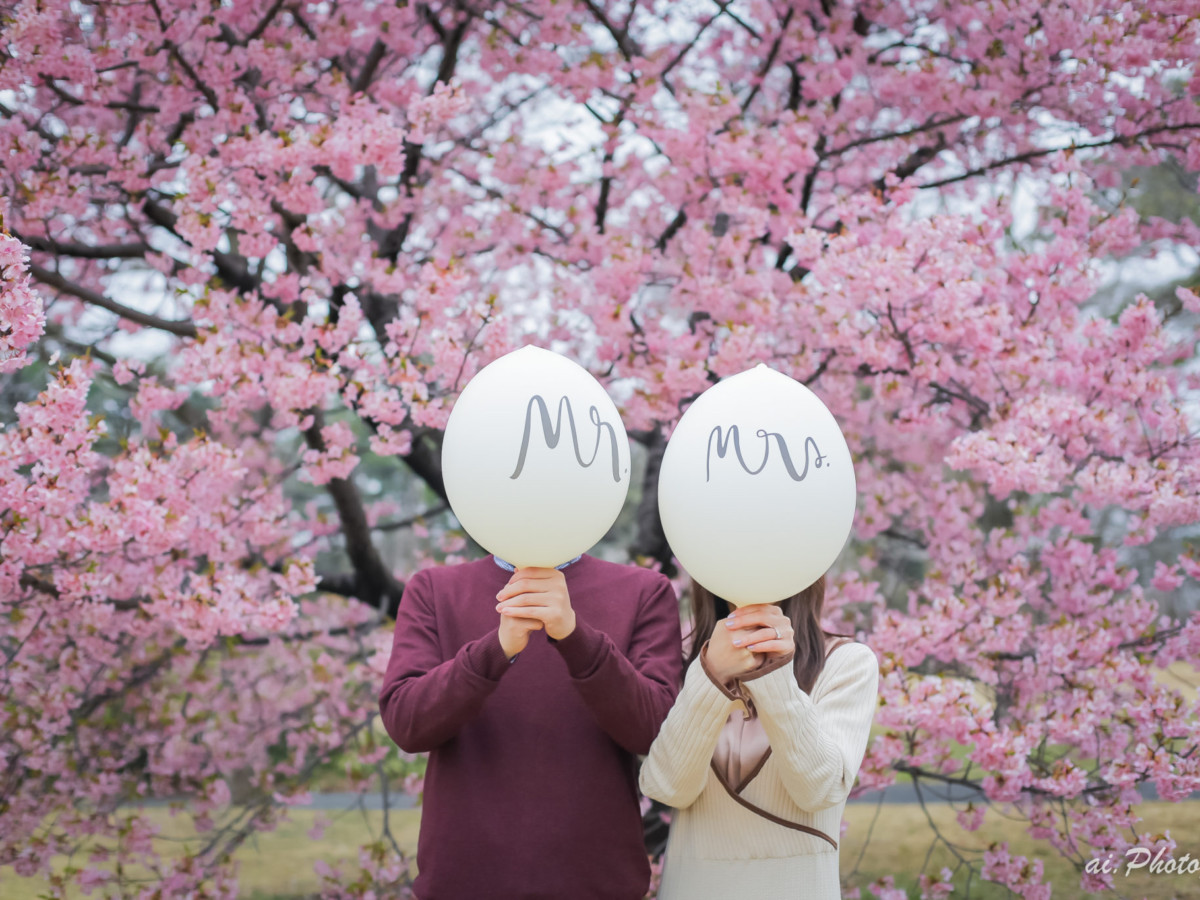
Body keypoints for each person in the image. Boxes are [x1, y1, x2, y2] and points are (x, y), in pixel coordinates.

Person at [378, 552, 682, 900]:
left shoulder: (644, 590)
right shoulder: (434, 589)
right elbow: (407, 724)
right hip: (463, 882)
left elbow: (654, 732)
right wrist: (495, 648)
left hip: (598, 883)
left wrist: (574, 635)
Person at [639, 575, 879, 900]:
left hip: (797, 888)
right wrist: (711, 674)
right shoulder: (683, 662)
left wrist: (775, 673)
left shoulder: (846, 663)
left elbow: (819, 791)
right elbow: (667, 787)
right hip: (692, 885)